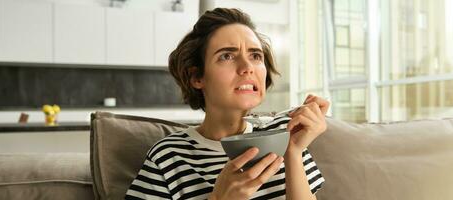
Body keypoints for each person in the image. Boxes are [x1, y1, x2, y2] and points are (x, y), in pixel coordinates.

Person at [125, 8, 330, 200]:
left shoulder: (285, 135)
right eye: (227, 56)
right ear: (197, 77)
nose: (247, 67)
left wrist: (293, 151)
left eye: (255, 56)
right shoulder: (168, 156)